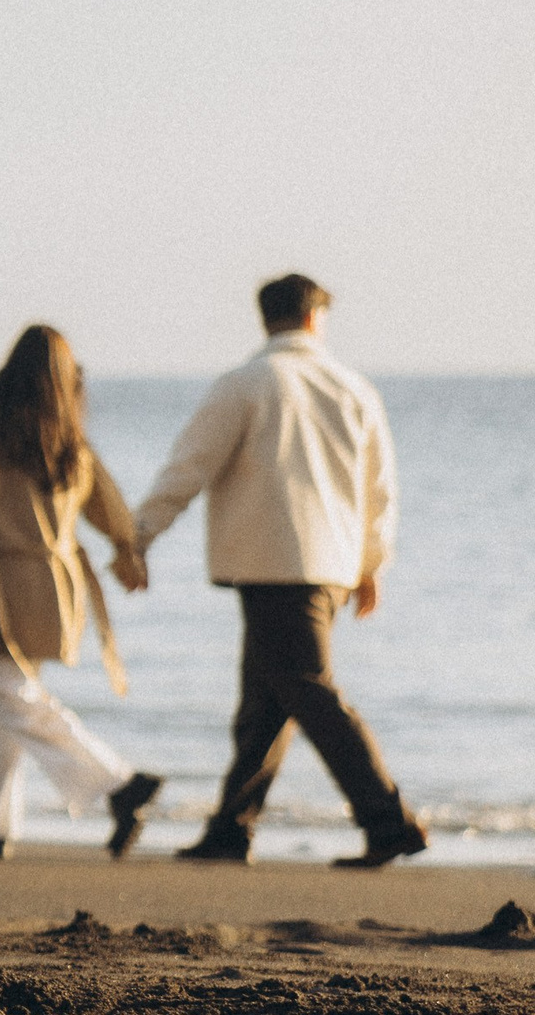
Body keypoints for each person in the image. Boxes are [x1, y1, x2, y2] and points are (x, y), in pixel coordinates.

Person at [129, 274, 424, 868]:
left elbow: (189, 467)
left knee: (309, 695)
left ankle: (389, 821)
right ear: (316, 318)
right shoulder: (353, 387)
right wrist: (371, 565)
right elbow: (380, 490)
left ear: (268, 320)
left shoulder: (246, 384)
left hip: (270, 565)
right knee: (267, 702)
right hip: (329, 567)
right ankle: (230, 829)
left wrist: (138, 537)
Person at [0, 325, 163, 859]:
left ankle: (118, 783)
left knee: (9, 696)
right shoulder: (72, 450)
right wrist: (129, 554)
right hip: (55, 586)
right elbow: (114, 514)